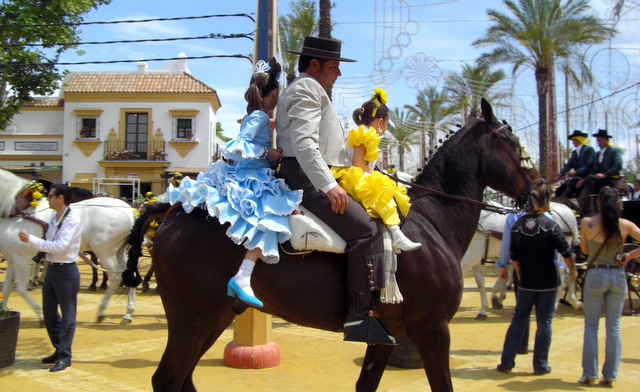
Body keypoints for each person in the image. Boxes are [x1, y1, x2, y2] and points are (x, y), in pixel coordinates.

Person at [275, 36, 395, 345]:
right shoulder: (307, 88)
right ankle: (358, 316)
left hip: (310, 172)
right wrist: (328, 185)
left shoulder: (309, 89)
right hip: (307, 177)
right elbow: (304, 143)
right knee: (366, 230)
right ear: (314, 65)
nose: (337, 73)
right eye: (333, 67)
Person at [166, 58, 302, 308]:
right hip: (252, 176)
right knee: (270, 219)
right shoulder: (259, 116)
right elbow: (235, 152)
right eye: (277, 95)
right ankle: (243, 275)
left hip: (256, 174)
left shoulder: (255, 115)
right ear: (272, 94)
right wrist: (267, 154)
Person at [496, 185, 576, 375]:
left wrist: (521, 274)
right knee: (545, 322)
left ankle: (507, 362)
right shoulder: (550, 224)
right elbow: (566, 251)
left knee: (518, 319)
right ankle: (540, 365)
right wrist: (572, 269)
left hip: (525, 282)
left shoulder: (516, 225)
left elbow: (513, 255)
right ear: (543, 203)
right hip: (548, 281)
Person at [331, 88, 420, 252]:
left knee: (385, 186)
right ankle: (396, 234)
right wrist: (374, 176)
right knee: (383, 187)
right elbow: (357, 161)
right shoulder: (368, 134)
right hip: (353, 175)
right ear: (380, 122)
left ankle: (394, 235)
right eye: (386, 123)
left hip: (354, 173)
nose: (385, 127)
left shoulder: (363, 131)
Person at [577, 186, 640, 386]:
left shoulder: (587, 223)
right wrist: (629, 255)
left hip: (596, 273)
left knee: (591, 326)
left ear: (598, 202)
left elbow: (585, 251)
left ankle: (589, 373)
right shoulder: (625, 224)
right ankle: (610, 375)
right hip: (618, 275)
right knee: (613, 327)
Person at [18, 184, 83, 372]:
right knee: (49, 313)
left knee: (68, 316)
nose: (48, 198)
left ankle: (65, 356)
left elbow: (59, 246)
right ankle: (58, 348)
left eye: (51, 195)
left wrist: (30, 239)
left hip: (66, 271)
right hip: (52, 269)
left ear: (60, 198)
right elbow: (51, 245)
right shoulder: (55, 218)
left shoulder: (72, 220)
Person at [577, 129, 622, 216]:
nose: (598, 142)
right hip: (598, 180)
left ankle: (581, 203)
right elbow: (593, 170)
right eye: (597, 140)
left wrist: (605, 174)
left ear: (606, 140)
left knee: (591, 179)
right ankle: (586, 209)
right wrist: (584, 179)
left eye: (600, 140)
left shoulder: (614, 151)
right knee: (581, 181)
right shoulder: (597, 154)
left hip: (610, 179)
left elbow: (618, 165)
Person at [555, 130, 595, 199]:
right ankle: (559, 198)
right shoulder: (574, 152)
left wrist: (577, 172)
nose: (573, 142)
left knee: (573, 181)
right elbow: (569, 165)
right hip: (576, 177)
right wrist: (561, 173)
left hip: (586, 177)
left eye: (574, 140)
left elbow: (588, 164)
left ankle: (563, 198)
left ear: (578, 140)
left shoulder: (589, 149)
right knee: (559, 190)